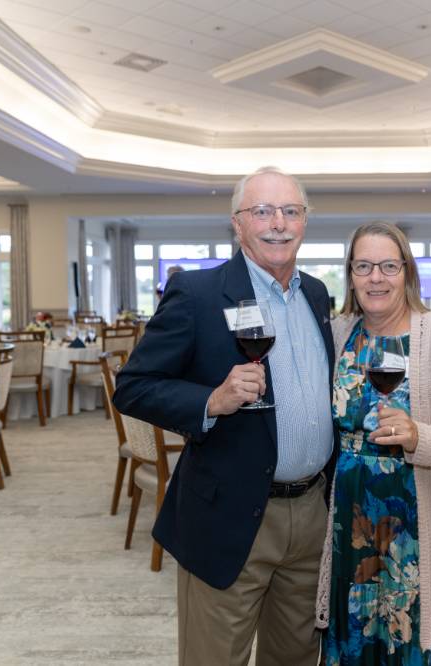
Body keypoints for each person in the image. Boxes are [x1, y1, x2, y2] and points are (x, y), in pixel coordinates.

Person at [112, 166, 335, 666]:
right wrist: (210, 402)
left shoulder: (317, 293)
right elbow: (133, 387)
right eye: (262, 211)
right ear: (238, 223)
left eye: (290, 211)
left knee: (296, 657)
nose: (277, 222)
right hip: (230, 514)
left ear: (304, 221)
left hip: (313, 513)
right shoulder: (198, 293)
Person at [318, 222, 431, 664]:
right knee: (356, 642)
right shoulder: (338, 333)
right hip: (350, 525)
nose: (375, 277)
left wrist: (421, 436)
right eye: (363, 266)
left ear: (407, 272)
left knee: (418, 642)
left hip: (420, 528)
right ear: (350, 274)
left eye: (387, 266)